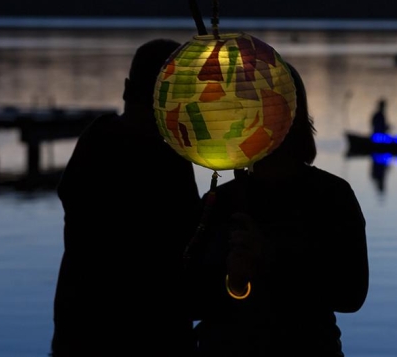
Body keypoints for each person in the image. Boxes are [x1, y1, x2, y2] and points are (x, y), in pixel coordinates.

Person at [188, 62, 369, 357]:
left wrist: (271, 257)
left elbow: (351, 294)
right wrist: (232, 281)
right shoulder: (219, 201)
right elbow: (191, 300)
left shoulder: (331, 196)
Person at [51, 39, 202, 357]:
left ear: (126, 88)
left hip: (80, 323)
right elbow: (187, 238)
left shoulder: (96, 136)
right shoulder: (168, 155)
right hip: (153, 330)